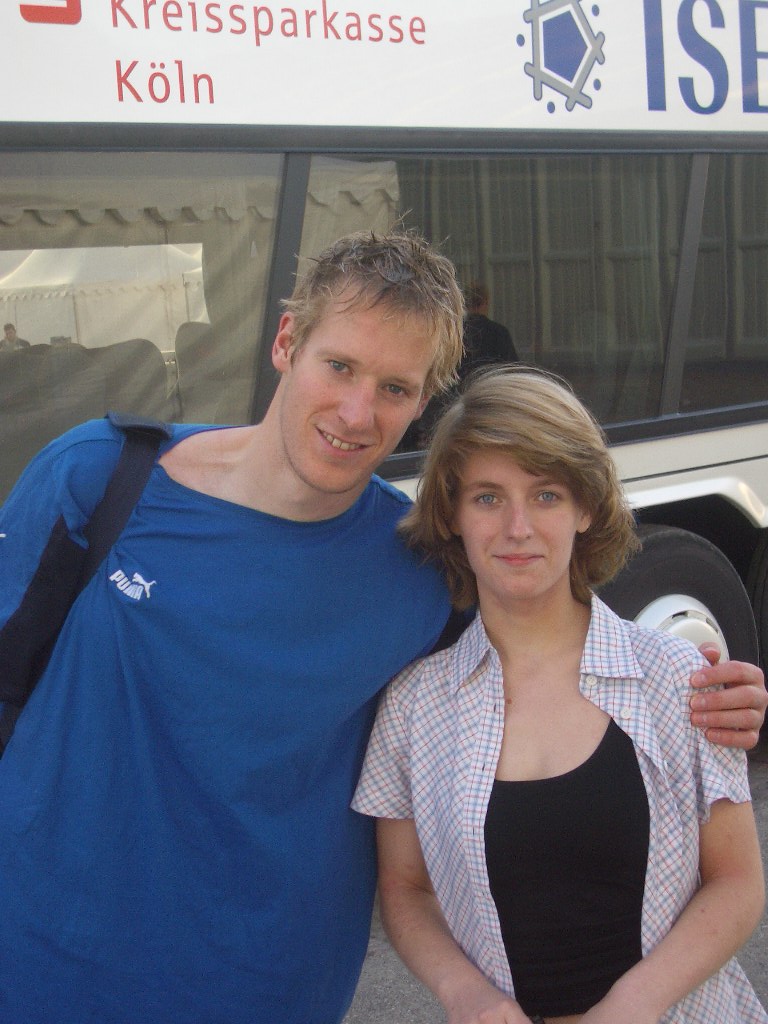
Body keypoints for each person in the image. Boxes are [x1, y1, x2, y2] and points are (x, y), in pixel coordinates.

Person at [0, 233, 764, 1024]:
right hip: (45, 966)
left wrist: (710, 690)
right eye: (339, 366)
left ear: (422, 400)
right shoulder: (100, 479)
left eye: (395, 387)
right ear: (287, 342)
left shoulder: (418, 571)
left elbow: (542, 653)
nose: (357, 413)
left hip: (270, 987)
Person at [353, 366, 767, 1024]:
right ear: (453, 515)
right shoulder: (413, 707)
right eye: (488, 497)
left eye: (546, 495)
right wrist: (467, 995)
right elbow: (406, 890)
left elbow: (738, 882)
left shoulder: (677, 678)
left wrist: (636, 1002)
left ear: (585, 508)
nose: (517, 527)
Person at [460, 281, 518, 377]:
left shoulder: (456, 334)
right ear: (485, 302)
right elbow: (511, 370)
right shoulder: (499, 332)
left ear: (464, 303)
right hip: (492, 384)